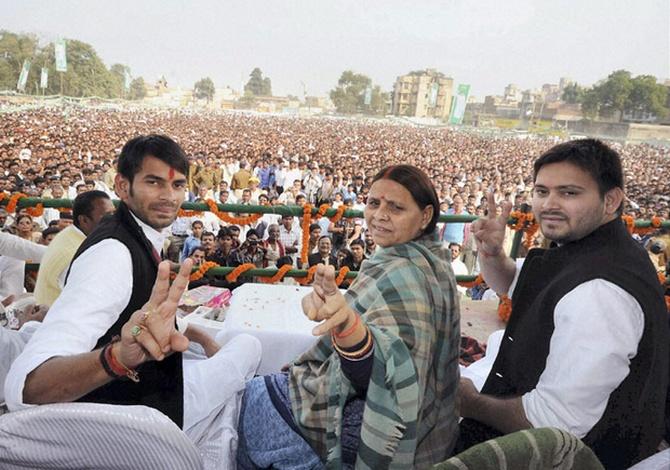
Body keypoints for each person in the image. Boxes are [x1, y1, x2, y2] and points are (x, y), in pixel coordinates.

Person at [5, 134, 261, 468]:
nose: (169, 196)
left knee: (224, 340)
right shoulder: (112, 255)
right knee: (249, 344)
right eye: (154, 183)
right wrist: (116, 358)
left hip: (152, 386)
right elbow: (26, 387)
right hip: (145, 414)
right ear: (123, 187)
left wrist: (201, 339)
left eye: (177, 185)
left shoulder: (132, 231)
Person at [457, 139, 669, 469]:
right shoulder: (593, 249)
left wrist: (470, 402)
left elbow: (554, 425)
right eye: (542, 192)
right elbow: (516, 285)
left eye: (569, 193)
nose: (550, 204)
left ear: (610, 200)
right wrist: (492, 253)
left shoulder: (601, 292)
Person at [237, 164, 460, 469]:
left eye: (395, 207)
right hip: (421, 424)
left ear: (425, 215)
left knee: (250, 401)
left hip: (376, 426)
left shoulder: (408, 274)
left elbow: (385, 374)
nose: (380, 215)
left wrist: (346, 325)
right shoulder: (430, 259)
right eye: (373, 203)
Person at [34, 190, 115, 307]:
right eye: (107, 216)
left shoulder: (70, 235)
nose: (113, 220)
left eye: (114, 214)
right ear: (84, 220)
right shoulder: (78, 253)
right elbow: (87, 302)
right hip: (57, 319)